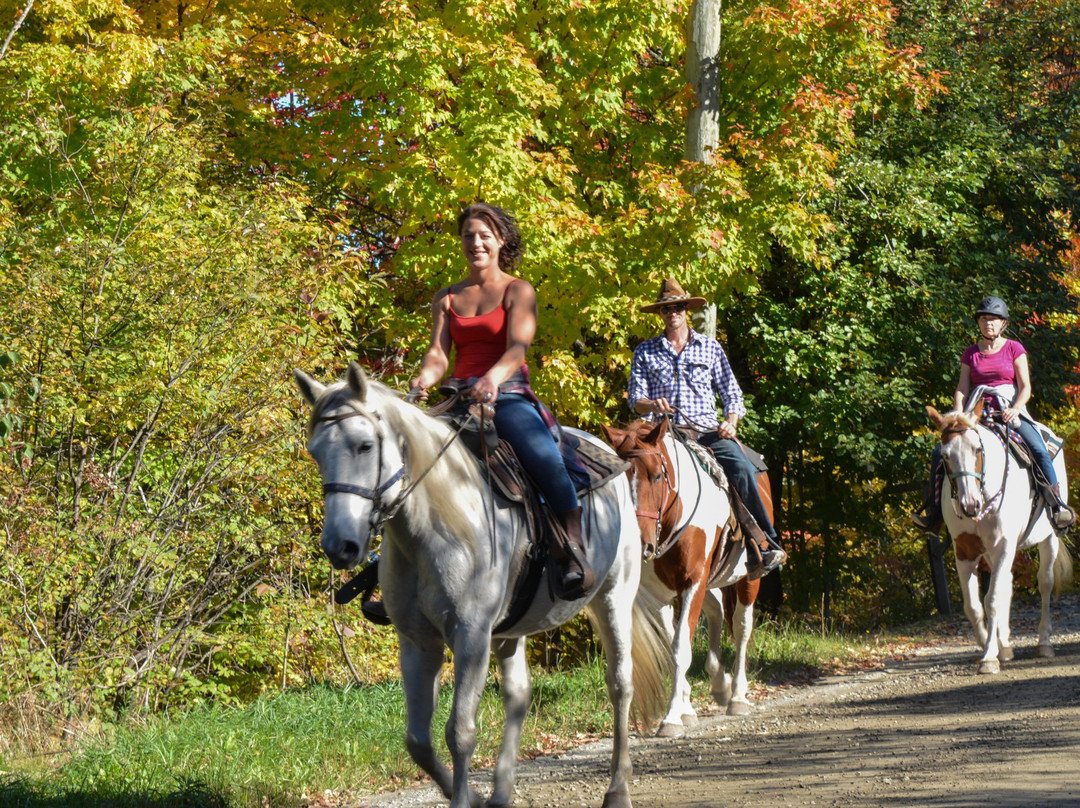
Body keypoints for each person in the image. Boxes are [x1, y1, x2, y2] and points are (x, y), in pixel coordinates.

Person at [409, 202, 594, 601]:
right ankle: (394, 563)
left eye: (484, 236)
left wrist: (492, 378)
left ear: (501, 241)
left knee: (544, 459)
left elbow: (517, 348)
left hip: (506, 395)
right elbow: (439, 354)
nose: (475, 243)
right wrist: (424, 377)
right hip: (456, 399)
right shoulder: (446, 297)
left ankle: (572, 548)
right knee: (405, 459)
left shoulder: (518, 290)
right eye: (468, 236)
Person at [627, 278, 787, 579]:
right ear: (660, 314)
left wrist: (731, 422)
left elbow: (732, 394)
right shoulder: (645, 351)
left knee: (742, 468)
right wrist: (651, 405)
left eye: (677, 307)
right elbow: (635, 400)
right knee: (632, 472)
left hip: (706, 432)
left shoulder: (710, 348)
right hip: (664, 434)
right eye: (666, 309)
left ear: (686, 309)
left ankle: (764, 543)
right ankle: (624, 541)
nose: (672, 313)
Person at [912, 295, 1075, 532]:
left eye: (993, 319)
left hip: (1008, 410)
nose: (988, 323)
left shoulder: (1014, 349)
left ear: (1003, 323)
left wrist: (1015, 408)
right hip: (976, 414)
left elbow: (1025, 387)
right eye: (984, 319)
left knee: (1038, 448)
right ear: (978, 322)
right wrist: (958, 414)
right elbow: (962, 388)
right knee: (940, 453)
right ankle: (935, 514)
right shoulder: (970, 353)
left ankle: (1056, 505)